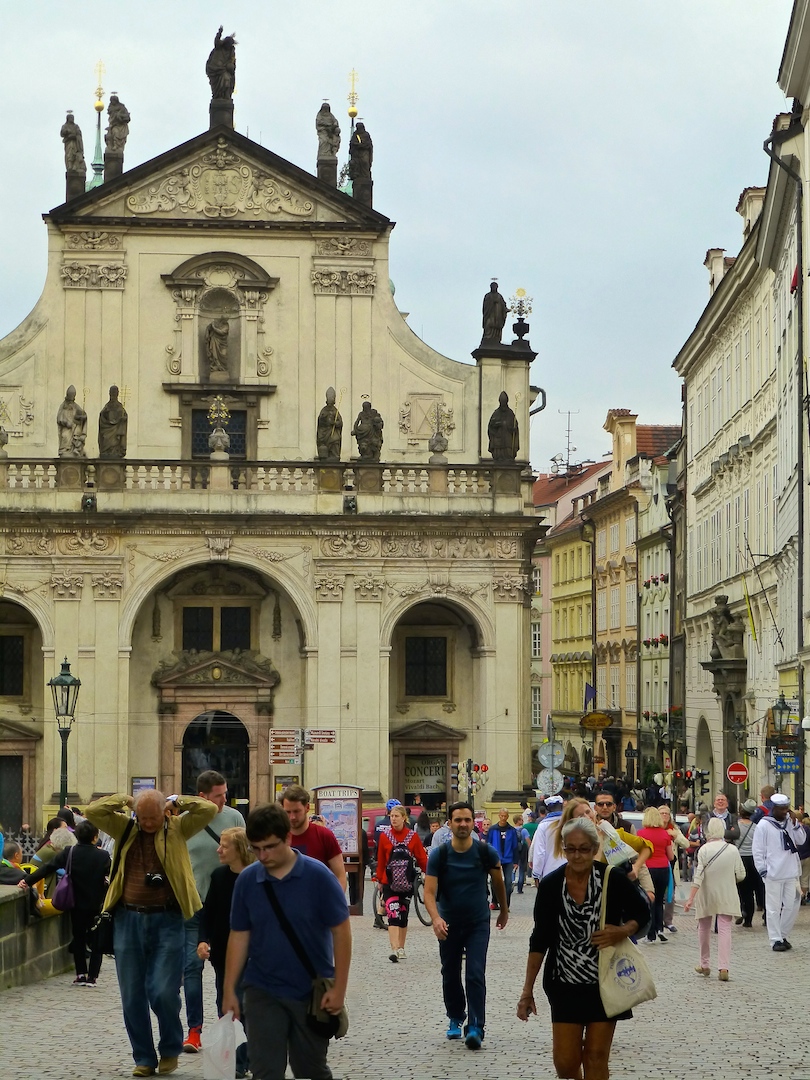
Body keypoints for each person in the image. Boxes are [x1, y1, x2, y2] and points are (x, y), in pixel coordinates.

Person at [84, 788, 218, 1078]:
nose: (147, 823)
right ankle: (144, 1057)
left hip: (168, 919)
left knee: (163, 991)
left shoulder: (179, 828)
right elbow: (92, 812)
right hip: (127, 919)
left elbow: (208, 809)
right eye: (142, 817)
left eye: (153, 817)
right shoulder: (125, 827)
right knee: (132, 995)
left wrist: (177, 801)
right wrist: (125, 800)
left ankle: (170, 1047)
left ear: (165, 813)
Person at [222, 802, 350, 1080]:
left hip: (310, 990)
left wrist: (339, 987)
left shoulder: (318, 877)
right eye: (256, 848)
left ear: (288, 838)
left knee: (309, 1069)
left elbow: (341, 932)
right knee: (265, 1070)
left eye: (270, 847)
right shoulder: (247, 881)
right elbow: (239, 935)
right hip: (262, 989)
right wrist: (229, 989)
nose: (263, 855)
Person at [516, 816, 649, 1079]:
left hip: (605, 980)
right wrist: (527, 990)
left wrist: (622, 930)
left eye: (584, 849)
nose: (577, 856)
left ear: (595, 847)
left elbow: (642, 913)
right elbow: (539, 939)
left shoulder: (612, 879)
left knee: (597, 1055)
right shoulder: (552, 885)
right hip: (564, 982)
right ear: (563, 848)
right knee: (565, 1063)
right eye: (571, 849)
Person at [423, 801, 507, 1050]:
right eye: (458, 820)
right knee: (450, 973)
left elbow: (499, 882)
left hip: (477, 923)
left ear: (473, 823)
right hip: (448, 923)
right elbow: (429, 892)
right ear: (449, 824)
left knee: (474, 973)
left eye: (467, 820)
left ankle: (476, 1026)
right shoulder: (440, 855)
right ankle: (456, 1015)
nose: (463, 824)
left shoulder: (485, 852)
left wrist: (504, 909)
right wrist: (436, 918)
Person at [182, 770, 245, 1054]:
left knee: (226, 971)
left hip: (225, 906)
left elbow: (247, 856)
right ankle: (194, 1030)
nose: (224, 799)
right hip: (194, 904)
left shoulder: (234, 818)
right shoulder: (185, 822)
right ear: (202, 797)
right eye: (218, 796)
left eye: (225, 793)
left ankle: (227, 1028)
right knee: (192, 968)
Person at [197, 827, 254, 1079]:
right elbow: (208, 913)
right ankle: (237, 1059)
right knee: (226, 1006)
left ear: (239, 849)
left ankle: (242, 1061)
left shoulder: (256, 877)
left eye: (224, 846)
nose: (218, 850)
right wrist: (202, 940)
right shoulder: (219, 876)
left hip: (252, 954)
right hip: (222, 954)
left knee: (244, 1005)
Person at [25, 820, 111, 986]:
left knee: (78, 937)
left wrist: (28, 880)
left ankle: (81, 974)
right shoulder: (103, 856)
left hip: (75, 902)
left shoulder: (70, 852)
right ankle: (93, 976)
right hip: (96, 903)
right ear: (95, 837)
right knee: (96, 940)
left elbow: (48, 868)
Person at [683, 818, 746, 981]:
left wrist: (690, 898)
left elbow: (698, 876)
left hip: (707, 893)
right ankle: (724, 967)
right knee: (725, 928)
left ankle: (704, 964)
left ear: (707, 831)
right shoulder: (732, 849)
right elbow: (741, 874)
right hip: (727, 893)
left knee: (704, 928)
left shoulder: (703, 850)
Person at [751, 791, 805, 952]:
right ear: (773, 808)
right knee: (773, 908)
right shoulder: (763, 825)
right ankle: (775, 939)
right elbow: (757, 850)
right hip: (773, 873)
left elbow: (801, 840)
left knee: (792, 905)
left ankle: (783, 934)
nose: (784, 812)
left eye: (786, 808)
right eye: (781, 809)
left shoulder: (790, 822)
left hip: (791, 872)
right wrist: (763, 871)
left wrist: (796, 825)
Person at [375, 802, 427, 962]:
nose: (393, 819)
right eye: (391, 816)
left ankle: (401, 947)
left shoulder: (412, 836)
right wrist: (379, 879)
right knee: (393, 914)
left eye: (396, 816)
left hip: (407, 881)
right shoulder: (384, 836)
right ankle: (394, 948)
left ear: (404, 818)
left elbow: (421, 857)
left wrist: (428, 872)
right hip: (389, 882)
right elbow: (381, 859)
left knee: (403, 915)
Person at [280, 784, 347, 891]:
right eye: (288, 812)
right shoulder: (278, 838)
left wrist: (336, 899)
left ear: (307, 808)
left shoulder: (324, 835)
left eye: (296, 811)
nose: (292, 817)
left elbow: (340, 876)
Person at [637, 806, 674, 944]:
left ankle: (650, 934)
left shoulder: (641, 834)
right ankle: (660, 929)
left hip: (648, 869)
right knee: (659, 901)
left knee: (649, 900)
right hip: (663, 868)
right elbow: (671, 856)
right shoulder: (665, 834)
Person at [659, 804, 688, 933]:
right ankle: (657, 920)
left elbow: (686, 844)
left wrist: (676, 836)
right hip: (656, 865)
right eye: (662, 813)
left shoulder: (674, 829)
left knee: (670, 896)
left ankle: (668, 921)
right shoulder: (654, 828)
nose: (665, 815)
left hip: (670, 867)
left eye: (667, 813)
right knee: (657, 896)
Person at [735, 799, 765, 927]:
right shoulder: (756, 827)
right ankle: (750, 920)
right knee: (755, 889)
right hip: (754, 859)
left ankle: (743, 912)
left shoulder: (736, 827)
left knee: (743, 890)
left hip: (740, 859)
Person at [486, 807, 520, 908]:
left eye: (505, 816)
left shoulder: (512, 830)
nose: (503, 818)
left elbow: (515, 846)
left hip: (508, 859)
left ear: (507, 817)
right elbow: (488, 844)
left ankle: (505, 904)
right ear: (499, 816)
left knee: (508, 883)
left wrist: (516, 861)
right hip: (495, 859)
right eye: (502, 816)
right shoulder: (493, 829)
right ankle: (495, 901)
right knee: (494, 881)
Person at [206, 26, 237, 99]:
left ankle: (225, 95)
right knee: (220, 82)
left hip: (224, 70)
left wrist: (231, 66)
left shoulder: (231, 52)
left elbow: (232, 62)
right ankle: (218, 95)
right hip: (214, 69)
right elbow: (216, 41)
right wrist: (219, 33)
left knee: (226, 79)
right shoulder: (219, 47)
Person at [57, 385, 87, 458]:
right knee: (65, 436)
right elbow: (59, 418)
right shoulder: (63, 406)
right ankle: (65, 450)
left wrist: (82, 417)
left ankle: (76, 449)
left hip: (74, 426)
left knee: (77, 434)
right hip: (66, 428)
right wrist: (66, 423)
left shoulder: (75, 406)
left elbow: (83, 414)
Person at [487, 391, 519, 460]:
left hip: (508, 439)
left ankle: (509, 458)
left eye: (504, 402)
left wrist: (513, 428)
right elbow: (491, 426)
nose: (503, 404)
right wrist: (498, 424)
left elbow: (515, 425)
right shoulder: (496, 413)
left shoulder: (510, 413)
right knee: (498, 454)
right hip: (498, 439)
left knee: (509, 453)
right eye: (502, 402)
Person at [98, 385, 128, 459]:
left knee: (115, 443)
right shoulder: (107, 406)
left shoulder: (120, 406)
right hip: (107, 429)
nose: (113, 394)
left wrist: (123, 419)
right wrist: (106, 416)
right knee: (106, 440)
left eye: (115, 392)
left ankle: (116, 451)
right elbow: (102, 416)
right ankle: (107, 451)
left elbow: (125, 416)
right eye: (112, 392)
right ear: (109, 393)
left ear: (117, 393)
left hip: (116, 430)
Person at [316, 387, 343, 462]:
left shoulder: (335, 411)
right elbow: (320, 422)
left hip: (333, 431)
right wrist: (324, 419)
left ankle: (334, 455)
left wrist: (334, 423)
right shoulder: (324, 410)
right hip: (325, 431)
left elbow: (340, 422)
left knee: (335, 439)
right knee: (323, 444)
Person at [513, 813, 531, 894]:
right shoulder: (524, 830)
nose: (523, 821)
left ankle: (512, 882)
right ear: (518, 821)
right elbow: (528, 841)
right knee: (522, 869)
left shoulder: (511, 830)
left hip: (514, 850)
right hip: (522, 850)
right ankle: (520, 888)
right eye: (521, 819)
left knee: (513, 867)